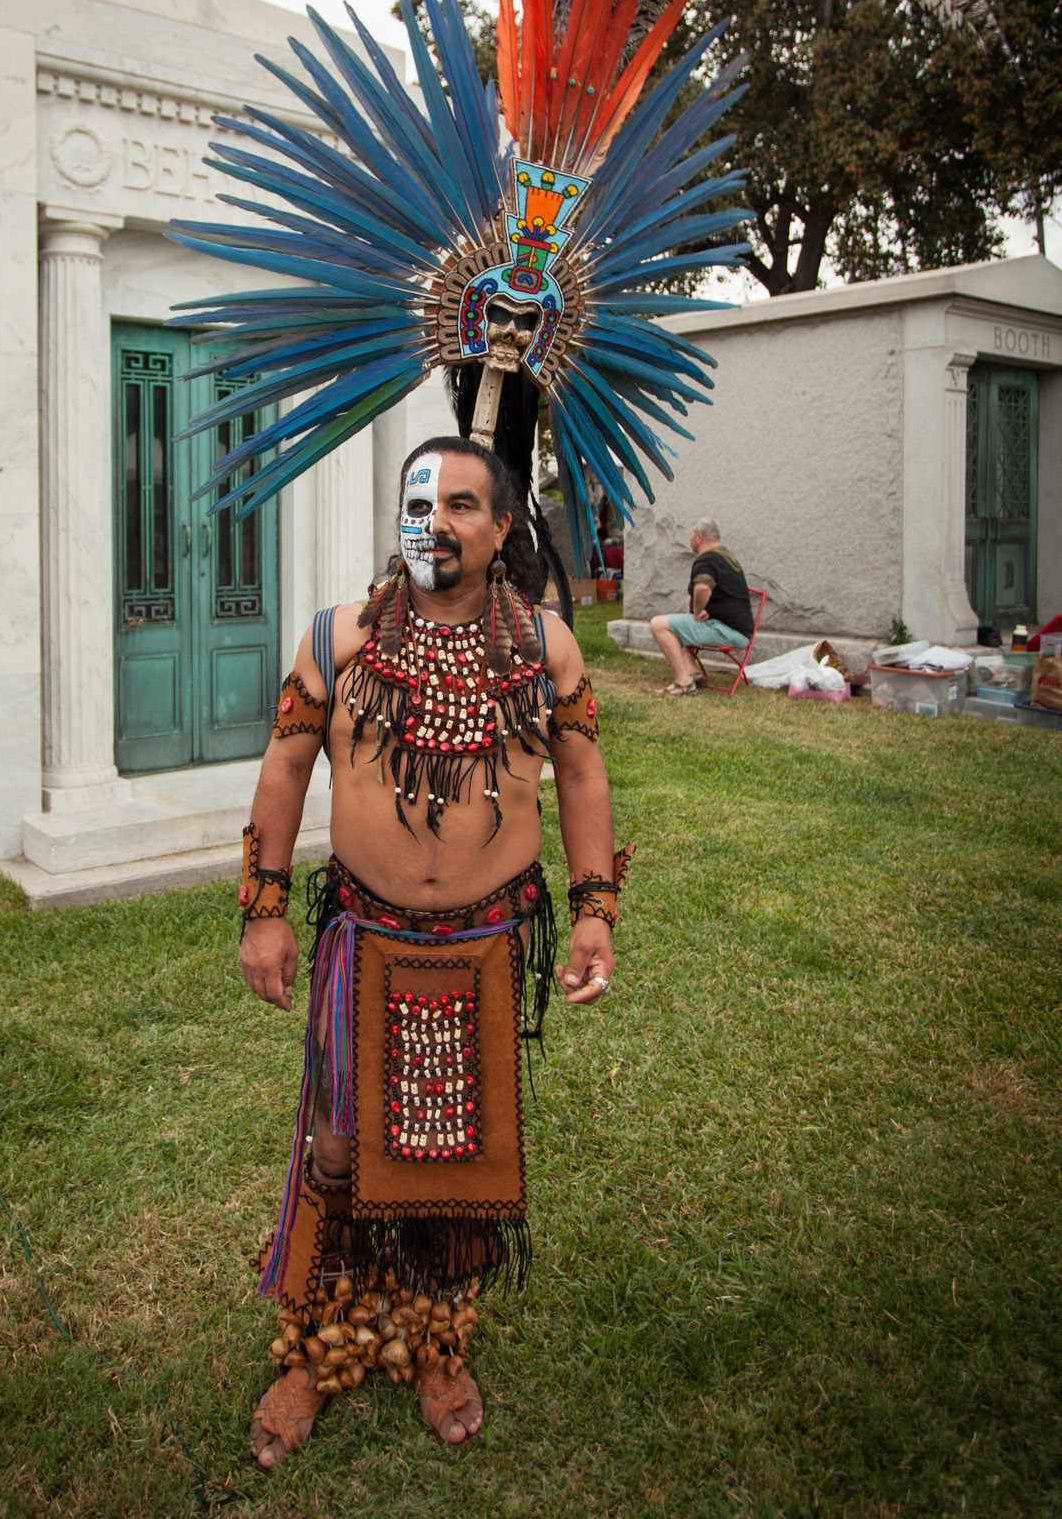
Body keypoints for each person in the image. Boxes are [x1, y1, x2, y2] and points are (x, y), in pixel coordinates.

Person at [239, 436, 629, 1468]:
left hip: (485, 943)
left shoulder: (544, 645)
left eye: (462, 501)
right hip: (362, 934)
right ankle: (315, 1347)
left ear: (503, 526)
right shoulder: (341, 635)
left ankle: (436, 1341)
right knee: (335, 1142)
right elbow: (284, 771)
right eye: (420, 500)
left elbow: (583, 777)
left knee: (456, 1159)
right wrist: (264, 908)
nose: (437, 520)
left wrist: (595, 909)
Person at [648, 519, 753, 696]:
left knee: (658, 624)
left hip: (728, 630)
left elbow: (703, 587)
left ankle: (684, 682)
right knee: (677, 627)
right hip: (740, 629)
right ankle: (693, 672)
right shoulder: (727, 557)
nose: (689, 538)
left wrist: (697, 612)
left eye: (690, 534)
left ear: (699, 537)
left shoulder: (707, 559)